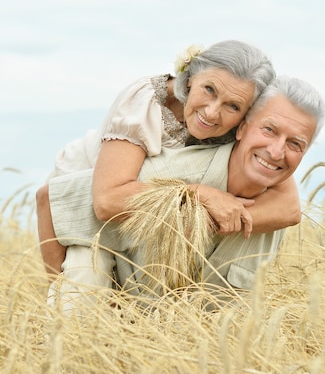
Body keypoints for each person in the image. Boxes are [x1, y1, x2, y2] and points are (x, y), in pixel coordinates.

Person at [46, 75, 325, 313]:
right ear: (242, 128)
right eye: (269, 130)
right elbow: (50, 199)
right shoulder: (172, 172)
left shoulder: (276, 212)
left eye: (295, 144)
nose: (277, 152)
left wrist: (219, 221)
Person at [37, 40, 302, 279]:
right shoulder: (146, 103)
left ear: (247, 116)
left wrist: (208, 222)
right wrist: (197, 195)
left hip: (144, 206)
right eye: (208, 89)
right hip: (90, 183)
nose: (211, 113)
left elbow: (289, 207)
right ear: (190, 78)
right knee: (83, 283)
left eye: (232, 106)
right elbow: (107, 201)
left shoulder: (242, 126)